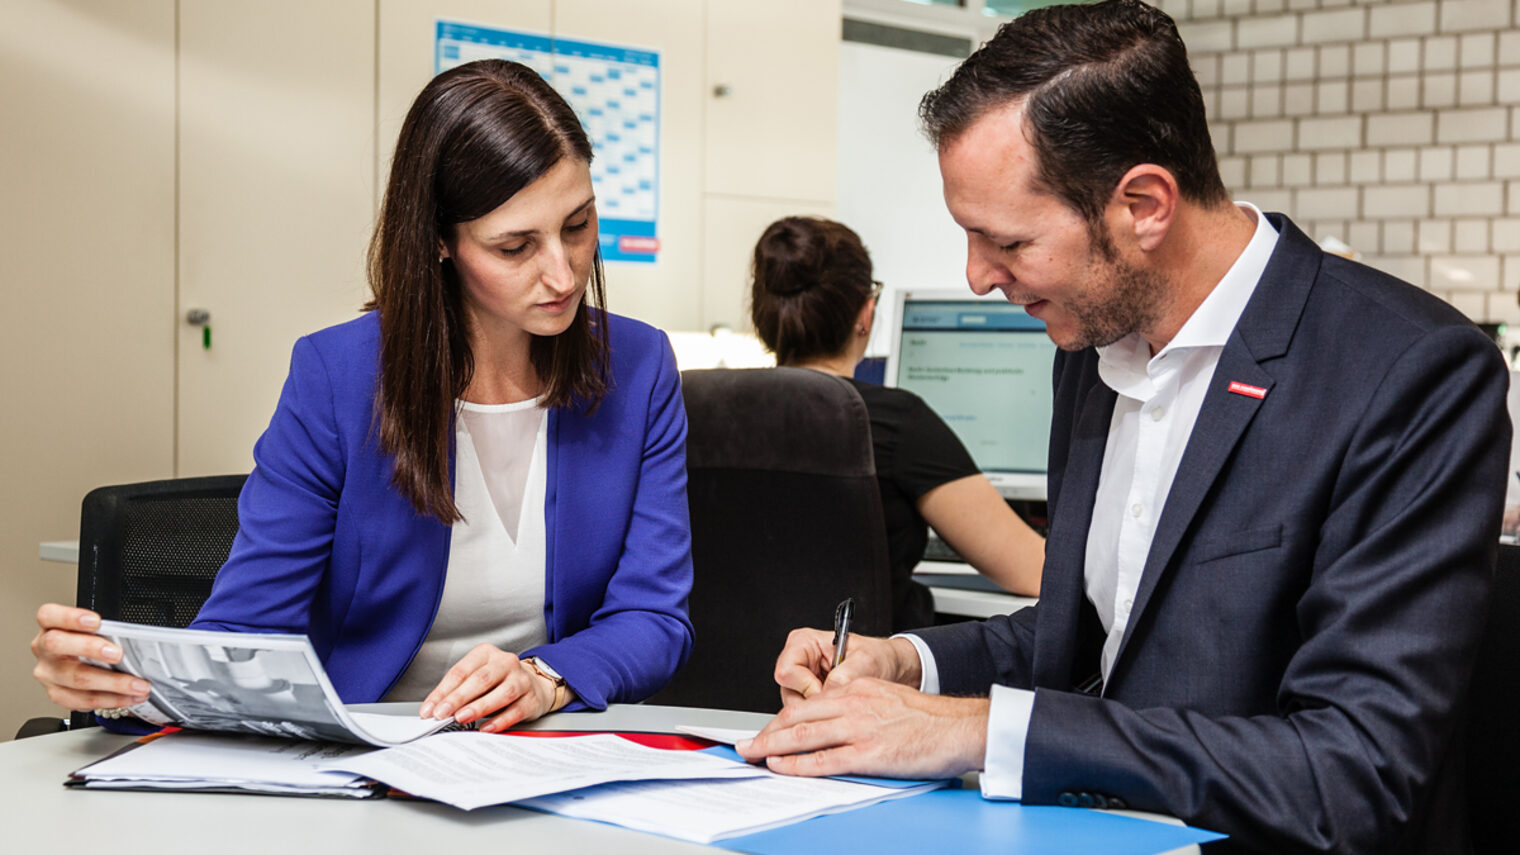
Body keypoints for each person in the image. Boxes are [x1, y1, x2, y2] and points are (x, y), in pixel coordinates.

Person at [736, 2, 1509, 852]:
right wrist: (910, 666)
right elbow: (1099, 632)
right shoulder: (1093, 346)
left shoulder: (1406, 374)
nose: (978, 278)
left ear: (1143, 205)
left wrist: (975, 729)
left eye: (1007, 242)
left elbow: (1355, 772)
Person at [31, 59, 693, 734]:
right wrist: (120, 685)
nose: (563, 271)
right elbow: (246, 629)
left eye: (578, 225)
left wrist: (546, 678)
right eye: (516, 245)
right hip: (361, 758)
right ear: (440, 240)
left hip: (545, 757)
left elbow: (655, 616)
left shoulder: (639, 368)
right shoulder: (337, 377)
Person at [749, 215, 1044, 629]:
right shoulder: (892, 421)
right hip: (855, 681)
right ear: (865, 313)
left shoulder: (698, 413)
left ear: (762, 315)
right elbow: (1033, 572)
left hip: (697, 686)